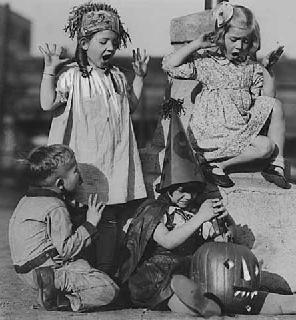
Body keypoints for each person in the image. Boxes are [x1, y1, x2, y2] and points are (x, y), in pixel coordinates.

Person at [38, 2, 149, 276]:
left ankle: (105, 273)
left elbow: (131, 106)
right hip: (83, 164)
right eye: (103, 41)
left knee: (108, 217)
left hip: (111, 163)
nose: (110, 48)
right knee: (76, 216)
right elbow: (47, 103)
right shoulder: (72, 77)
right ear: (85, 43)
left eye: (114, 42)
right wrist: (50, 70)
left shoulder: (118, 77)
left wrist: (140, 77)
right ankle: (76, 272)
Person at [119, 108, 233, 316]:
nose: (188, 197)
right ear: (168, 188)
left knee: (194, 287)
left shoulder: (199, 208)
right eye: (182, 191)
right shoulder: (153, 209)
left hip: (191, 269)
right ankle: (199, 305)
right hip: (157, 274)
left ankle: (206, 304)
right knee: (171, 296)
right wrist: (200, 218)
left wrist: (223, 226)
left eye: (193, 192)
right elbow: (168, 241)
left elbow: (217, 247)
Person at [162, 2, 290, 189]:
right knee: (266, 146)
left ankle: (273, 166)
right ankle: (215, 164)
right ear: (221, 36)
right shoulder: (209, 62)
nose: (240, 45)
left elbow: (267, 99)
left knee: (275, 109)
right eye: (234, 39)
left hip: (238, 130)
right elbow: (169, 66)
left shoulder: (249, 67)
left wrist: (267, 69)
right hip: (213, 133)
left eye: (245, 40)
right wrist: (197, 44)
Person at [8, 144, 119, 312]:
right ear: (60, 183)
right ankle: (61, 300)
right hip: (47, 271)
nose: (80, 176)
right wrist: (91, 223)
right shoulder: (55, 206)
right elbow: (67, 249)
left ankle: (49, 293)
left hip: (28, 270)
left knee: (85, 267)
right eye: (75, 171)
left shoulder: (27, 199)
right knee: (109, 289)